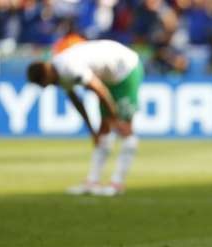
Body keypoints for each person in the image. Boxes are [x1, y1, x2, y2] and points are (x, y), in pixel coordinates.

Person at [27, 39, 144, 196]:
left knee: (124, 128)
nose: (50, 86)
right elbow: (77, 102)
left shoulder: (69, 68)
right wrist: (91, 131)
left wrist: (115, 117)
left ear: (46, 75)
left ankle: (117, 184)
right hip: (109, 75)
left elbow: (99, 90)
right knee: (103, 130)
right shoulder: (57, 70)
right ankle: (92, 182)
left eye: (46, 84)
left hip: (126, 70)